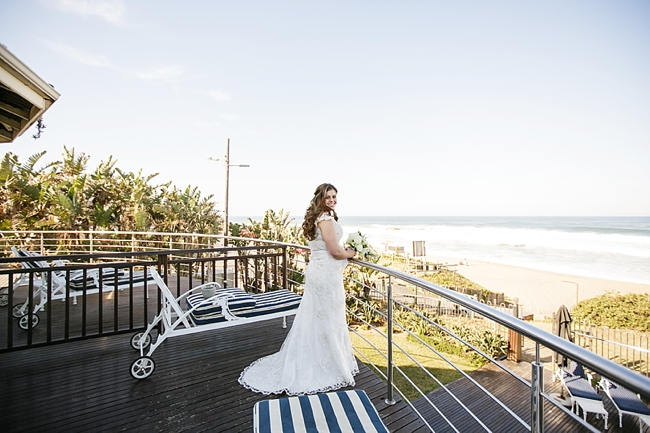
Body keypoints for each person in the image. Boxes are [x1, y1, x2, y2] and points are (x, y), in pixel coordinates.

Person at [238, 183, 358, 395]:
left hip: (318, 271)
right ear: (321, 198)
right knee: (329, 317)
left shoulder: (317, 217)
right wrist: (352, 252)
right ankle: (329, 363)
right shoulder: (326, 219)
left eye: (334, 196)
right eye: (328, 196)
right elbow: (334, 251)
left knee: (316, 318)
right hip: (326, 275)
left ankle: (322, 357)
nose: (332, 200)